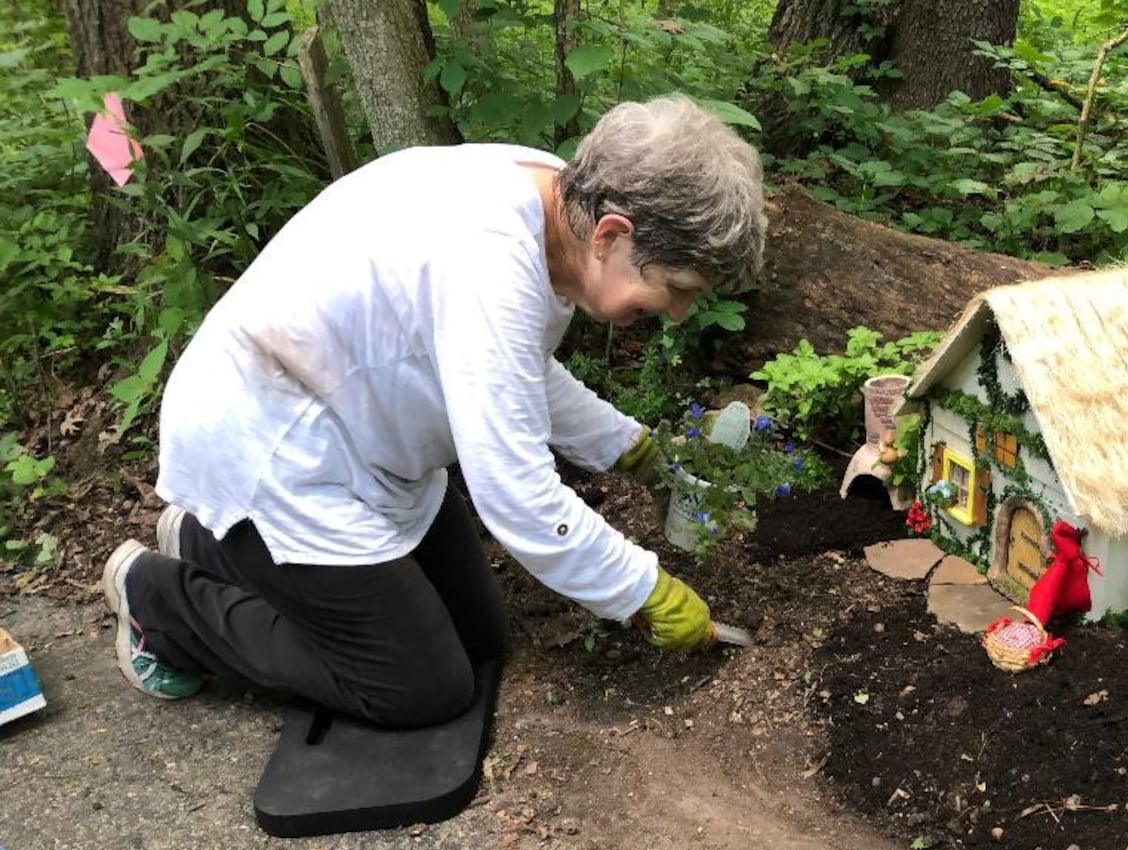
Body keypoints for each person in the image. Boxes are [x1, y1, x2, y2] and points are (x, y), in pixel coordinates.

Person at [100, 95, 764, 729]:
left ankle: (210, 540)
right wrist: (644, 592)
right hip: (276, 444)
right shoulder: (489, 259)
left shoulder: (559, 201)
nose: (676, 312)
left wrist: (627, 446)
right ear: (613, 233)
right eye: (676, 288)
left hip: (359, 429)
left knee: (481, 635)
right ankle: (161, 604)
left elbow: (516, 366)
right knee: (418, 686)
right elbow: (519, 497)